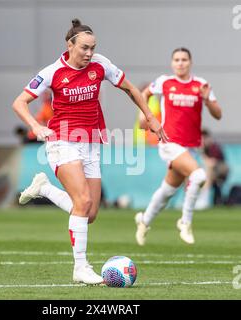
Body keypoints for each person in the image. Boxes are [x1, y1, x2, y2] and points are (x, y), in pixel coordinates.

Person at [12, 18, 166, 285]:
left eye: (93, 48)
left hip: (91, 143)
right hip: (62, 142)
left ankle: (45, 188)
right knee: (82, 203)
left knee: (90, 212)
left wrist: (150, 117)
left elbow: (130, 88)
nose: (89, 53)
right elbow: (19, 102)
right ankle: (80, 267)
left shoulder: (101, 65)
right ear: (69, 44)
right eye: (84, 48)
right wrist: (36, 126)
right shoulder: (52, 72)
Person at [135, 47, 222, 245]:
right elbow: (144, 93)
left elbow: (218, 114)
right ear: (172, 63)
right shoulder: (165, 82)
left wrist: (207, 99)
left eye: (184, 59)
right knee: (199, 176)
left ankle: (144, 221)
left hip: (190, 147)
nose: (180, 63)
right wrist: (144, 114)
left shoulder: (201, 85)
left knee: (167, 190)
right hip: (169, 142)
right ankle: (185, 221)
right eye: (176, 59)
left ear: (190, 62)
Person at [201, 129, 229, 205]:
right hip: (209, 172)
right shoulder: (203, 148)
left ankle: (204, 199)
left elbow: (212, 163)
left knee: (209, 170)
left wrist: (202, 153)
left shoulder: (214, 147)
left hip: (220, 170)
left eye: (204, 138)